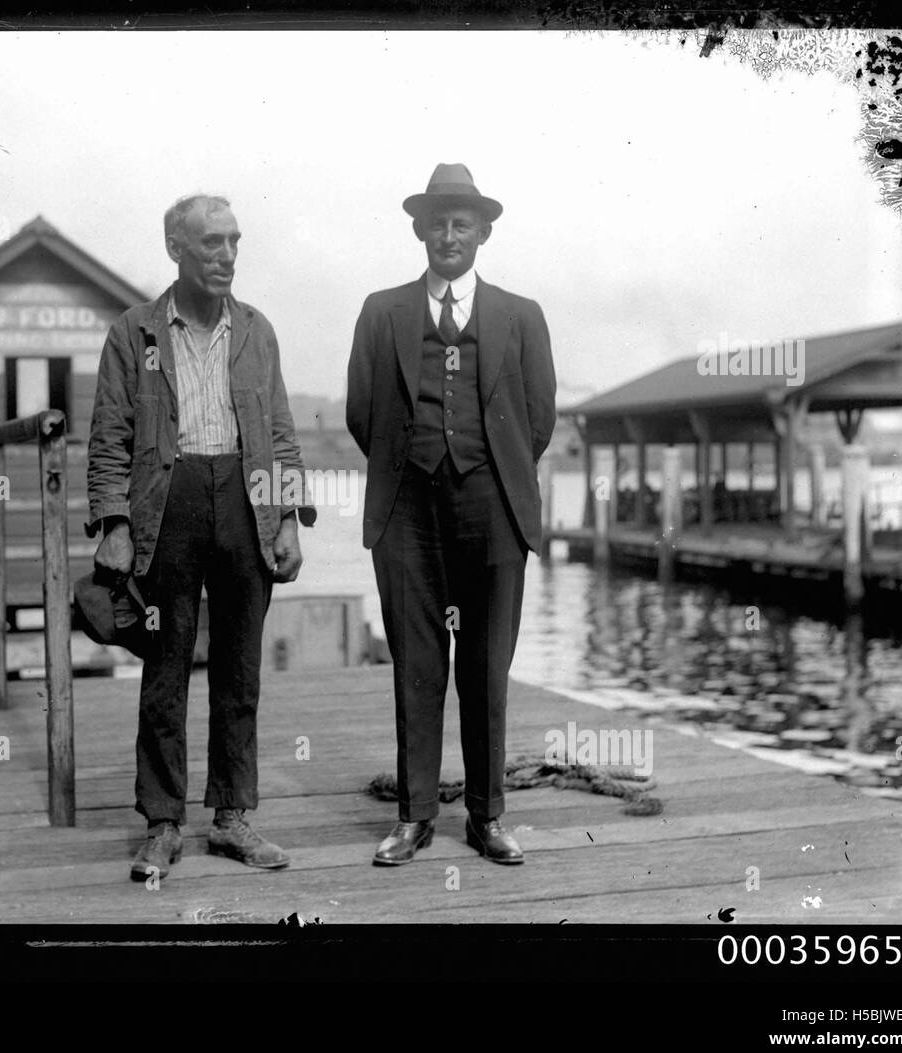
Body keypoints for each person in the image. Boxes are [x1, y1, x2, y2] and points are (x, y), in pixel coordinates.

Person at [87, 194, 317, 881]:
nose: (226, 256)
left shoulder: (256, 331)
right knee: (165, 668)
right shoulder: (134, 333)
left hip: (246, 503)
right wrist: (116, 524)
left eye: (234, 242)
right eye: (211, 243)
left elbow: (279, 433)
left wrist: (287, 522)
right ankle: (162, 821)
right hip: (170, 503)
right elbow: (109, 438)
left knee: (240, 669)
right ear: (175, 248)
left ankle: (232, 817)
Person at [346, 164, 557, 866]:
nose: (448, 234)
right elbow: (363, 412)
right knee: (417, 663)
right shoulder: (383, 312)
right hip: (407, 508)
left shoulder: (520, 315)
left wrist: (491, 466)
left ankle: (488, 815)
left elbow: (539, 416)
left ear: (483, 232)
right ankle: (414, 816)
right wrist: (414, 462)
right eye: (437, 221)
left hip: (493, 506)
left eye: (461, 222)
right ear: (419, 230)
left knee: (487, 664)